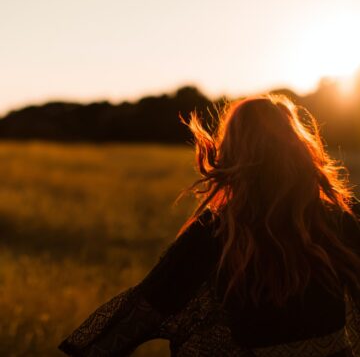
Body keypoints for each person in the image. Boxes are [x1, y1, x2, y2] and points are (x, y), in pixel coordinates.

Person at [58, 94, 360, 356]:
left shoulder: (216, 230)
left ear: (233, 153)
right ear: (297, 148)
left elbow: (144, 309)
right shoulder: (338, 218)